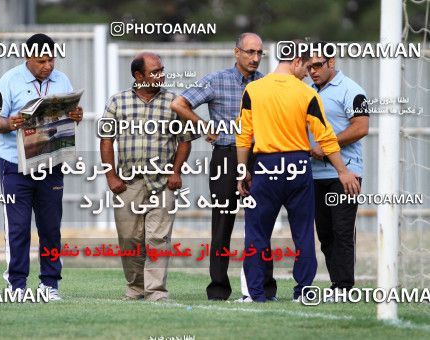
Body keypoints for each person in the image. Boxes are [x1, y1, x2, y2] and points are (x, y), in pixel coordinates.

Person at [236, 41, 361, 302]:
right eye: (306, 66)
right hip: (297, 165)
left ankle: (255, 294)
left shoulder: (254, 90)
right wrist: (343, 171)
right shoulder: (307, 94)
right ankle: (303, 292)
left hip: (266, 165)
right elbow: (325, 137)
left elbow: (244, 136)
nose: (308, 73)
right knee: (303, 233)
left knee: (256, 232)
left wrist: (242, 172)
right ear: (295, 61)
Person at [171, 33, 277, 301]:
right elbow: (179, 103)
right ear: (236, 52)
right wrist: (203, 124)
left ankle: (265, 288)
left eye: (259, 53)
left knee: (262, 223)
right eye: (250, 52)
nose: (255, 58)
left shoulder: (266, 83)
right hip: (227, 157)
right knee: (222, 223)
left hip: (260, 157)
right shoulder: (216, 80)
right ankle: (218, 288)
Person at [0, 33, 83, 300]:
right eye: (42, 61)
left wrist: (77, 115)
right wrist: (10, 123)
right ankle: (17, 285)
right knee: (18, 227)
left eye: (51, 59)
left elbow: (70, 116)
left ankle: (50, 285)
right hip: (15, 164)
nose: (48, 66)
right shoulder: (8, 81)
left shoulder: (62, 80)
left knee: (50, 227)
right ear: (27, 58)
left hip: (51, 163)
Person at [99, 52, 195, 301]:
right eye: (155, 71)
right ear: (138, 75)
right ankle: (135, 287)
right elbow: (106, 141)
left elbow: (184, 141)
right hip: (127, 183)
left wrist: (176, 172)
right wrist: (111, 176)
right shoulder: (117, 102)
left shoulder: (175, 102)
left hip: (163, 182)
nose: (161, 75)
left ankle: (155, 291)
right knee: (130, 238)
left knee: (157, 237)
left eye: (162, 69)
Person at [308, 42, 369, 295]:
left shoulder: (352, 90)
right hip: (314, 174)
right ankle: (336, 283)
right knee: (324, 233)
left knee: (342, 230)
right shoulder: (308, 91)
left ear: (331, 62)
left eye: (318, 65)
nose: (313, 71)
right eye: (309, 66)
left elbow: (361, 127)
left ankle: (345, 286)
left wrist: (327, 146)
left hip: (344, 174)